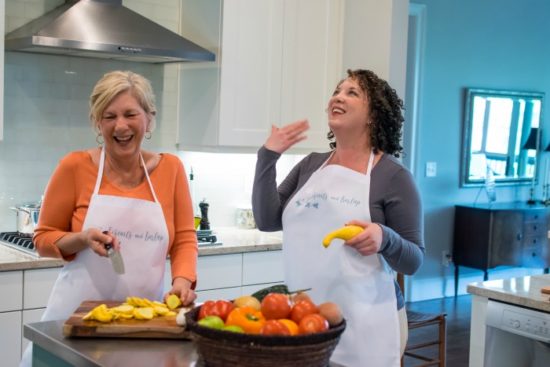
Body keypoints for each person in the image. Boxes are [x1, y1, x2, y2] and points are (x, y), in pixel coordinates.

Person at [21, 70, 198, 366]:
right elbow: (42, 238)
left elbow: (183, 239)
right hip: (74, 327)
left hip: (144, 327)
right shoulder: (74, 167)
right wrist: (80, 239)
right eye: (109, 116)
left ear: (149, 119)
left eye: (131, 114)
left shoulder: (172, 170)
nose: (121, 126)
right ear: (97, 122)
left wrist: (182, 280)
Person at [252, 69, 424, 367]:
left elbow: (414, 260)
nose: (338, 97)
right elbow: (268, 220)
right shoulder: (310, 165)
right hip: (305, 319)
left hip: (368, 323)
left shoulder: (393, 176)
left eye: (352, 92)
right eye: (337, 91)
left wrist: (385, 238)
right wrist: (268, 156)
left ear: (373, 115)